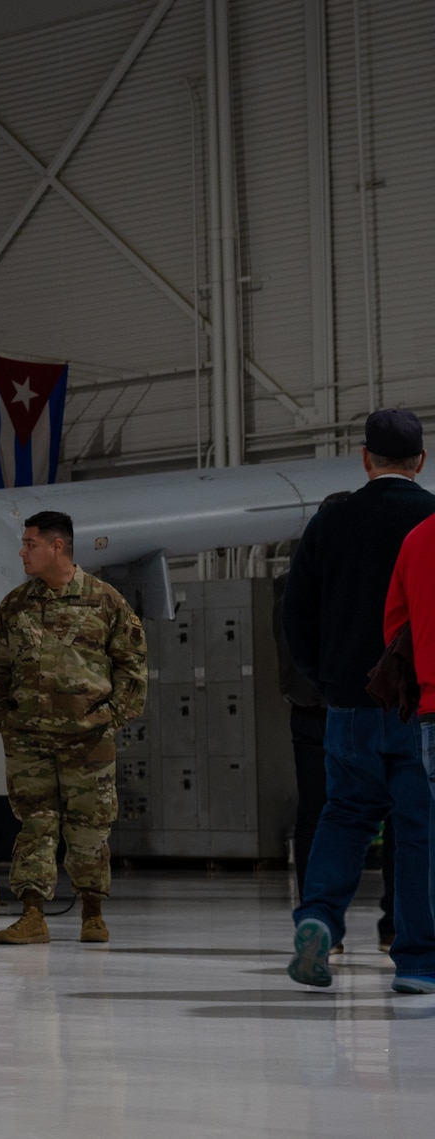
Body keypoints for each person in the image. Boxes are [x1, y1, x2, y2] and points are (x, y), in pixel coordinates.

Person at [281, 408, 435, 992]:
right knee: (418, 826)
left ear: (365, 458)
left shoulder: (331, 522)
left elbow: (295, 615)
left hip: (346, 705)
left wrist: (331, 682)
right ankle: (418, 963)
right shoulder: (432, 517)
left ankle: (319, 917)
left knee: (343, 816)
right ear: (420, 461)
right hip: (417, 704)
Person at [0, 511, 145, 945]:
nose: (22, 552)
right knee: (35, 825)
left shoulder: (105, 602)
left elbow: (133, 668)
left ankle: (92, 914)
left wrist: (109, 718)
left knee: (89, 827)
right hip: (28, 741)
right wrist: (5, 719)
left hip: (88, 741)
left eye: (30, 544)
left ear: (58, 547)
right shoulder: (15, 605)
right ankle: (32, 915)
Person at [384, 475, 435, 993]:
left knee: (429, 835)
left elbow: (394, 629)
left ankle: (422, 964)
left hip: (432, 709)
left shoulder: (417, 539)